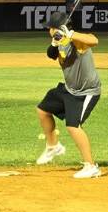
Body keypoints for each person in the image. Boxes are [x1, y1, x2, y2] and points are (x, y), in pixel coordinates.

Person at [35, 11, 102, 179]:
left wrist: (70, 34)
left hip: (86, 92)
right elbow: (50, 54)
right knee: (43, 110)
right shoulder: (59, 41)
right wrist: (56, 42)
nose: (48, 30)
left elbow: (94, 40)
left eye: (49, 27)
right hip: (69, 89)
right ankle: (53, 146)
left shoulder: (77, 41)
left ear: (57, 27)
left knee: (73, 125)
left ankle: (91, 166)